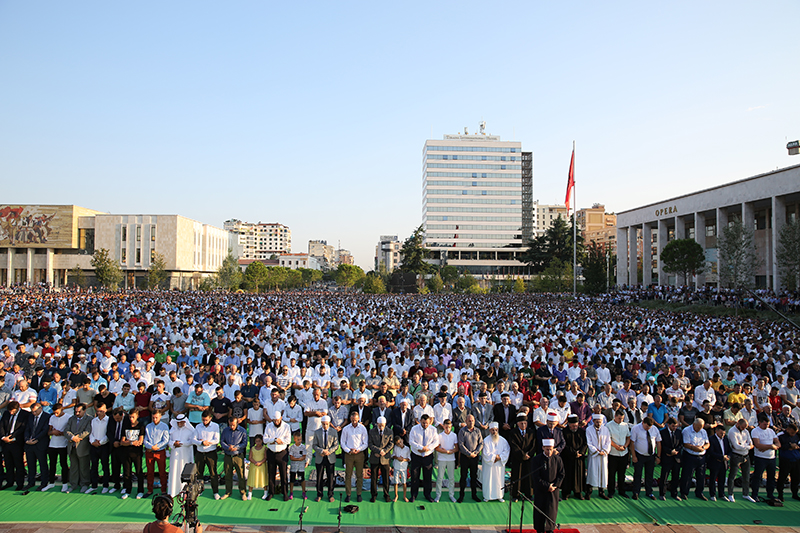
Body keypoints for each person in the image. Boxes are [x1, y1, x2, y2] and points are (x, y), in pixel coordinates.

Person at [532, 439, 564, 533]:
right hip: (541, 490)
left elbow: (561, 474)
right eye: (547, 450)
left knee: (551, 511)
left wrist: (554, 486)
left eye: (550, 449)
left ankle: (550, 528)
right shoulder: (537, 459)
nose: (549, 452)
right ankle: (540, 529)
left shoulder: (557, 459)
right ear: (543, 448)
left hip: (553, 490)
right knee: (539, 511)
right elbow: (536, 476)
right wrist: (546, 486)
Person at [409, 413, 439, 502]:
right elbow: (411, 441)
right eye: (423, 423)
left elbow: (436, 442)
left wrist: (427, 449)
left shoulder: (433, 429)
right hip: (416, 456)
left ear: (429, 422)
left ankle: (427, 494)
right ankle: (413, 495)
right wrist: (420, 448)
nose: (425, 425)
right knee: (415, 476)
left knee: (427, 476)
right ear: (420, 421)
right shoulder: (414, 429)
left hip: (427, 456)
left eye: (426, 423)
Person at [630, 416, 661, 500]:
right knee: (638, 474)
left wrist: (658, 456)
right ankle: (636, 492)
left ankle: (649, 492)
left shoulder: (654, 429)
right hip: (639, 455)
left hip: (651, 455)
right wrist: (634, 456)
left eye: (649, 427)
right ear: (643, 422)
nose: (648, 428)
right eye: (647, 426)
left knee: (650, 474)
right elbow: (632, 443)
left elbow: (658, 442)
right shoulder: (636, 428)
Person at [751, 413, 780, 502]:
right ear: (759, 423)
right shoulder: (755, 431)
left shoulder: (771, 431)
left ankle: (770, 493)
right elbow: (757, 445)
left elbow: (778, 443)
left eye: (767, 424)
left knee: (771, 477)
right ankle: (754, 494)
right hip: (760, 457)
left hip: (771, 458)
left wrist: (769, 446)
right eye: (764, 424)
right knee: (757, 476)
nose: (766, 426)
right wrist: (771, 446)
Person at [192, 409, 221, 500]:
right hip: (200, 452)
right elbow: (193, 439)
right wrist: (201, 443)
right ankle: (200, 490)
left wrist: (208, 442)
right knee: (199, 473)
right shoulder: (198, 427)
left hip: (211, 453)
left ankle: (215, 492)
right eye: (203, 420)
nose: (204, 422)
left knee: (213, 473)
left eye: (206, 420)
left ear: (210, 418)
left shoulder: (215, 426)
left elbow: (217, 440)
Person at [1, 400, 29, 490]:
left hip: (17, 443)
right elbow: (1, 426)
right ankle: (9, 482)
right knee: (8, 464)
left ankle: (20, 483)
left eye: (13, 411)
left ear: (18, 408)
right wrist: (3, 437)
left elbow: (23, 428)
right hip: (6, 443)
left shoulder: (25, 414)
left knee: (18, 464)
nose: (11, 413)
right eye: (10, 411)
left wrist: (12, 437)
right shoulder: (6, 414)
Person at [341, 410, 368, 502]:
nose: (354, 422)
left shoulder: (363, 428)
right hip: (349, 455)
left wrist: (358, 450)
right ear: (350, 419)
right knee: (348, 475)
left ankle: (359, 494)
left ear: (358, 419)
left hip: (359, 454)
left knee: (359, 475)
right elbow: (343, 443)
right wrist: (349, 450)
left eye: (355, 420)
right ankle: (348, 494)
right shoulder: (346, 429)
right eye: (352, 420)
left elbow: (365, 443)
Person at [65, 402, 92, 493]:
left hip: (82, 447)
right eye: (75, 411)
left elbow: (87, 431)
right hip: (72, 447)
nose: (77, 413)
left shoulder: (89, 419)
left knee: (84, 467)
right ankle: (73, 484)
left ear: (84, 410)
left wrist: (77, 438)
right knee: (73, 467)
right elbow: (66, 430)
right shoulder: (71, 419)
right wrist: (72, 438)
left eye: (79, 411)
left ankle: (84, 484)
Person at [681, 418, 710, 501]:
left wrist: (703, 448)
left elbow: (707, 443)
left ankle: (699, 492)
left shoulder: (703, 431)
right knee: (687, 475)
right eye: (698, 427)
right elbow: (685, 444)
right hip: (690, 456)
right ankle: (684, 492)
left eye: (701, 427)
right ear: (694, 424)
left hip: (701, 456)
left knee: (701, 476)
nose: (699, 429)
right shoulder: (686, 430)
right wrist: (694, 448)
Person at [508, 412, 536, 502]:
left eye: (525, 423)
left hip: (529, 459)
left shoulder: (531, 432)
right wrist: (523, 455)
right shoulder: (513, 433)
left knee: (528, 477)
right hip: (518, 459)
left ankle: (529, 494)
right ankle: (516, 495)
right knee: (517, 476)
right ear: (517, 424)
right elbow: (514, 445)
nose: (523, 425)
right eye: (521, 423)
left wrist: (529, 454)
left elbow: (534, 445)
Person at [24, 402, 51, 491]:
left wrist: (35, 439)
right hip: (29, 444)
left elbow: (45, 430)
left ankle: (44, 483)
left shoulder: (47, 416)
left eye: (35, 411)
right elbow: (27, 428)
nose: (34, 413)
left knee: (43, 464)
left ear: (40, 408)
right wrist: (27, 439)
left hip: (40, 444)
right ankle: (31, 482)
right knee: (31, 465)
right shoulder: (30, 416)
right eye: (32, 411)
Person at [264, 411, 291, 501]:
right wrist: (274, 440)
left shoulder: (286, 426)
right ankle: (271, 492)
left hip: (282, 453)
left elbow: (288, 440)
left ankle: (285, 493)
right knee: (271, 474)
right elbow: (265, 439)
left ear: (281, 418)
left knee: (283, 474)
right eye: (274, 421)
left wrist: (281, 441)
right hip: (271, 452)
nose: (276, 422)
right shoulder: (269, 426)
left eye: (277, 421)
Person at [312, 415, 338, 503]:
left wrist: (328, 451)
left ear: (329, 424)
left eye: (327, 424)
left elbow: (336, 445)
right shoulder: (317, 432)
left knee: (330, 477)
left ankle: (330, 494)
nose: (325, 426)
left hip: (330, 457)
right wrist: (322, 451)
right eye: (323, 424)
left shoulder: (333, 432)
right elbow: (314, 445)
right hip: (320, 457)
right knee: (319, 476)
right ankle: (319, 494)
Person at [220, 416, 248, 500]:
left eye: (233, 425)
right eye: (230, 425)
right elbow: (222, 441)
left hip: (238, 455)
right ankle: (228, 492)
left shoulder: (242, 431)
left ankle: (243, 492)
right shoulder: (225, 430)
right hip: (228, 455)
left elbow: (244, 443)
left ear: (237, 423)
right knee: (228, 474)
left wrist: (236, 447)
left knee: (241, 475)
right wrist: (227, 447)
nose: (232, 427)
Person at [167, 414, 194, 498]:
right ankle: (173, 491)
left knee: (185, 471)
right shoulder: (173, 430)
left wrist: (181, 443)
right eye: (178, 422)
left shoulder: (190, 430)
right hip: (175, 456)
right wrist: (174, 444)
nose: (179, 424)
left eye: (181, 422)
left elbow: (191, 441)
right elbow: (169, 441)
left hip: (185, 455)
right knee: (175, 471)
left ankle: (185, 491)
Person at [481, 421, 510, 502]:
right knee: (488, 479)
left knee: (499, 479)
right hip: (490, 465)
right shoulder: (486, 440)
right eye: (493, 430)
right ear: (490, 430)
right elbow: (485, 453)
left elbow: (506, 450)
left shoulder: (503, 440)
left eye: (496, 430)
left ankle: (499, 496)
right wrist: (494, 457)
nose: (494, 432)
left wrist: (500, 457)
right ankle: (487, 496)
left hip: (499, 464)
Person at [561, 414, 587, 500]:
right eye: (572, 426)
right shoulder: (564, 432)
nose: (574, 427)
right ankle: (566, 492)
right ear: (569, 424)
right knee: (568, 475)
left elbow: (585, 444)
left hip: (579, 458)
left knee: (579, 475)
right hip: (568, 458)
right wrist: (573, 453)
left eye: (575, 425)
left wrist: (581, 452)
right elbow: (563, 444)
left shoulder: (581, 431)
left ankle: (578, 492)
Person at [605, 409, 630, 499]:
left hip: (623, 453)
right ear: (615, 416)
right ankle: (611, 491)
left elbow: (628, 437)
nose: (621, 420)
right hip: (613, 453)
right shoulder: (609, 425)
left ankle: (622, 490)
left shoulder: (625, 425)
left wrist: (625, 446)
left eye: (622, 419)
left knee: (622, 473)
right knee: (612, 474)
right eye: (619, 418)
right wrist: (616, 446)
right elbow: (608, 439)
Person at [369, 415, 394, 502]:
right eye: (379, 425)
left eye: (382, 425)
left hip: (385, 458)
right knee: (374, 478)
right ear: (376, 424)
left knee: (386, 478)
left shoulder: (389, 431)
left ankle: (386, 494)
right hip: (375, 457)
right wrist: (379, 451)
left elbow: (391, 444)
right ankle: (374, 495)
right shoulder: (372, 431)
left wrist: (385, 451)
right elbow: (370, 444)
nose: (381, 427)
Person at [586, 413, 611, 500]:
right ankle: (589, 492)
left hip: (603, 456)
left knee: (603, 473)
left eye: (600, 422)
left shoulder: (605, 430)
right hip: (594, 456)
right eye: (597, 422)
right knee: (592, 472)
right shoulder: (589, 429)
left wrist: (604, 451)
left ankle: (601, 491)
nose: (598, 423)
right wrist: (596, 451)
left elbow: (608, 441)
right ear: (593, 421)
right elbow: (589, 442)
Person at [87, 403, 110, 494]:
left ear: (105, 410)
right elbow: (91, 433)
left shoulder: (108, 420)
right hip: (94, 446)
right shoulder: (94, 420)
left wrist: (100, 442)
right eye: (98, 411)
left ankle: (105, 485)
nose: (99, 413)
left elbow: (108, 434)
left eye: (101, 411)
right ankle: (94, 485)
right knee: (94, 466)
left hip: (104, 446)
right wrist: (93, 442)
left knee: (105, 466)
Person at [658, 417, 683, 501]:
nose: (674, 428)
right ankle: (662, 493)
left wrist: (676, 451)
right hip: (667, 457)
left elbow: (681, 444)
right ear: (668, 425)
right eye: (673, 426)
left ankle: (674, 493)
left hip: (676, 458)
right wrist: (669, 451)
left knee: (675, 477)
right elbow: (661, 445)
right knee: (664, 477)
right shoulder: (663, 433)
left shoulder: (679, 432)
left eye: (676, 426)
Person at [46, 402, 68, 491]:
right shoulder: (52, 418)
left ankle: (65, 483)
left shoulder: (68, 417)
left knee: (63, 464)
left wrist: (60, 433)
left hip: (63, 444)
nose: (55, 414)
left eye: (57, 412)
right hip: (52, 445)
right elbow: (49, 432)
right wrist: (52, 433)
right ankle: (51, 482)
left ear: (62, 409)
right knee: (52, 464)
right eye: (54, 412)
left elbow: (69, 431)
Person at [434, 418, 457, 503]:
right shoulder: (440, 436)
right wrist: (445, 451)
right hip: (441, 459)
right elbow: (437, 448)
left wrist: (451, 451)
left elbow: (456, 448)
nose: (447, 429)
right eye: (446, 427)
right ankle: (438, 495)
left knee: (451, 478)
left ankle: (451, 495)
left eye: (449, 427)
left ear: (451, 427)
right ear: (443, 426)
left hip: (451, 459)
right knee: (440, 477)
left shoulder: (454, 435)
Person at [707, 423, 731, 501]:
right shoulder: (711, 439)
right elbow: (711, 452)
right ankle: (712, 494)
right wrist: (721, 457)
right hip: (715, 462)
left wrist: (728, 457)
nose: (722, 435)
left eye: (724, 433)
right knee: (713, 479)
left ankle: (722, 494)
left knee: (722, 479)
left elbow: (729, 450)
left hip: (724, 463)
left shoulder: (726, 439)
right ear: (716, 431)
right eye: (721, 433)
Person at [776, 423, 800, 501]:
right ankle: (780, 494)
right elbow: (779, 446)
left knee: (796, 478)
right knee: (782, 478)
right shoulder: (781, 436)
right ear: (788, 429)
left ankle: (795, 494)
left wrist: (796, 447)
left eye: (794, 433)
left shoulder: (797, 436)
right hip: (785, 460)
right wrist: (789, 446)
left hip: (796, 460)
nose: (793, 434)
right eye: (792, 432)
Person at [246, 434, 268, 501]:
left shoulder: (264, 448)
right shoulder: (252, 449)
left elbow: (265, 457)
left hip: (262, 466)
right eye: (256, 441)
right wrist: (255, 462)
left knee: (263, 479)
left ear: (262, 441)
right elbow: (250, 457)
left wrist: (260, 462)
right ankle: (250, 493)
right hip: (254, 466)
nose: (258, 442)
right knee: (252, 479)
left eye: (259, 441)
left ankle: (265, 493)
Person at [288, 432, 307, 500]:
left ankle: (304, 492)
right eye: (298, 439)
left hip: (301, 468)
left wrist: (296, 459)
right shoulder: (292, 447)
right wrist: (299, 459)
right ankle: (291, 492)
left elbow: (304, 457)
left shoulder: (303, 447)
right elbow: (291, 457)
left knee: (301, 479)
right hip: (293, 467)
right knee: (292, 480)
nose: (300, 441)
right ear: (294, 439)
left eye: (300, 439)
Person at [392, 435, 410, 502]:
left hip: (404, 467)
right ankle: (396, 495)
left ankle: (404, 496)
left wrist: (403, 459)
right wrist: (397, 458)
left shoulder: (407, 448)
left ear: (402, 440)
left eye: (400, 442)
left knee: (404, 482)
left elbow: (409, 458)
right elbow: (393, 455)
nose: (399, 444)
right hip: (396, 466)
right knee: (396, 482)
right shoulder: (395, 448)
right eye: (398, 444)